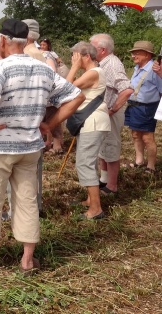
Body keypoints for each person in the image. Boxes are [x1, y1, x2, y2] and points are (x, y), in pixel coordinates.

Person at [0, 18, 84, 274]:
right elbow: (77, 96)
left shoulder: (1, 67)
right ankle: (27, 261)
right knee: (27, 200)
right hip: (30, 148)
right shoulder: (43, 68)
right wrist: (49, 124)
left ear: (4, 40)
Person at [66, 42, 111, 220]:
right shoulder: (92, 73)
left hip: (93, 123)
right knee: (89, 163)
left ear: (86, 56)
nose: (73, 59)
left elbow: (66, 88)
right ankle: (90, 200)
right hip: (90, 122)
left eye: (76, 55)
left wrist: (74, 67)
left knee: (84, 163)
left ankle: (96, 209)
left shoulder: (93, 73)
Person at [89, 33, 133, 195]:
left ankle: (112, 186)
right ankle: (104, 180)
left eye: (92, 46)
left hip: (111, 114)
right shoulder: (102, 63)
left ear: (102, 49)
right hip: (104, 113)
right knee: (103, 147)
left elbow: (127, 89)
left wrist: (113, 109)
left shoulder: (113, 64)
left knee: (111, 147)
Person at [22, 20, 63, 155]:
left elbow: (52, 73)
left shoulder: (35, 53)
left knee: (51, 118)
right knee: (45, 120)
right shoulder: (37, 52)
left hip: (44, 95)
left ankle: (56, 146)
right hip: (43, 94)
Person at [124, 41, 162, 174]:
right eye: (133, 53)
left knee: (147, 137)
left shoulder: (155, 70)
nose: (133, 55)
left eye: (136, 53)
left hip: (147, 108)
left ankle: (151, 167)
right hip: (134, 106)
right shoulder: (137, 68)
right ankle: (139, 161)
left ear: (147, 54)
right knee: (135, 135)